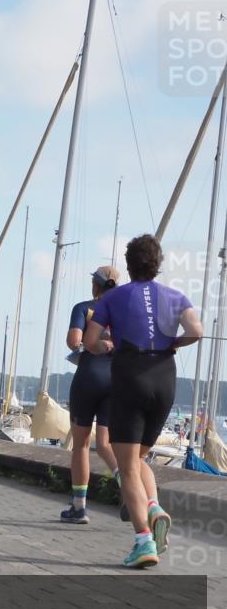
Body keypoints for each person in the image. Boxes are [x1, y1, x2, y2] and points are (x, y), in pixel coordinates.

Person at [83, 234, 202, 568]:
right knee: (138, 458)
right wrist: (172, 343)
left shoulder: (113, 297)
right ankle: (153, 506)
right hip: (164, 377)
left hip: (130, 375)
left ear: (129, 264)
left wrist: (104, 347)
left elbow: (90, 340)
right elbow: (196, 331)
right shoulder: (177, 296)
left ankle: (143, 541)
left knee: (127, 467)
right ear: (157, 264)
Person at [60, 266, 121, 524]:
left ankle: (79, 508)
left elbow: (74, 341)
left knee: (81, 444)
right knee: (105, 444)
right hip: (115, 381)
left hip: (88, 377)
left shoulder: (84, 308)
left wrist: (90, 342)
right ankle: (129, 487)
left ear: (96, 285)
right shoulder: (123, 313)